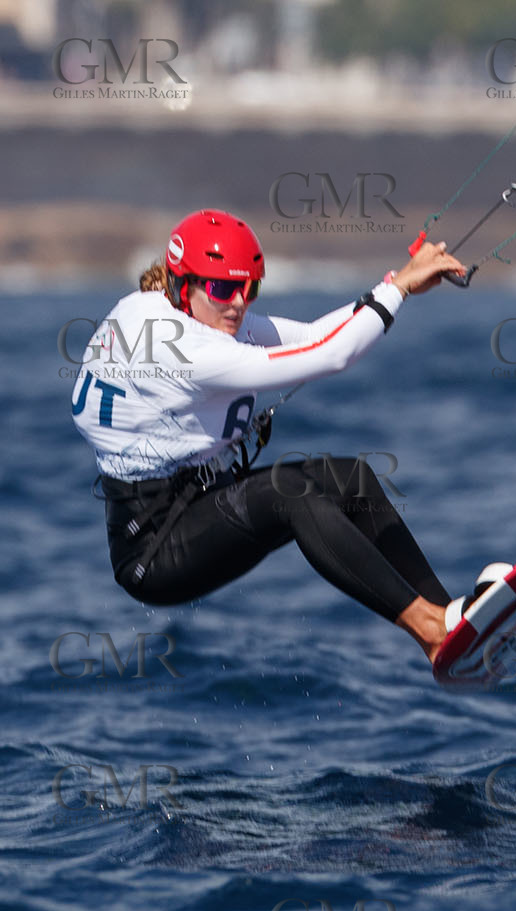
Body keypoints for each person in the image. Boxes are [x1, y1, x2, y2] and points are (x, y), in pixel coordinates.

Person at [71, 208, 471, 666]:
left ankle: (452, 621)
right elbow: (334, 356)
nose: (238, 303)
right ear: (184, 285)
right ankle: (430, 630)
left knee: (350, 480)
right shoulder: (184, 350)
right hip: (155, 551)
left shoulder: (181, 310)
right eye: (223, 288)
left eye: (249, 288)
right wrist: (399, 288)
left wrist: (398, 282)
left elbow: (315, 337)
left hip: (196, 498)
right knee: (292, 497)